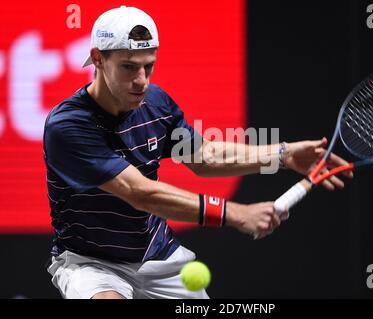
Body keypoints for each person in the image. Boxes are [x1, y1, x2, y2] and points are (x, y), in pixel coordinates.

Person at [44, 6, 352, 299]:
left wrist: (283, 155)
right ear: (98, 59)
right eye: (128, 67)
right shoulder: (68, 126)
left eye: (148, 65)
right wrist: (236, 214)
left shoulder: (156, 104)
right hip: (91, 263)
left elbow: (203, 157)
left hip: (157, 253)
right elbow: (140, 193)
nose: (142, 81)